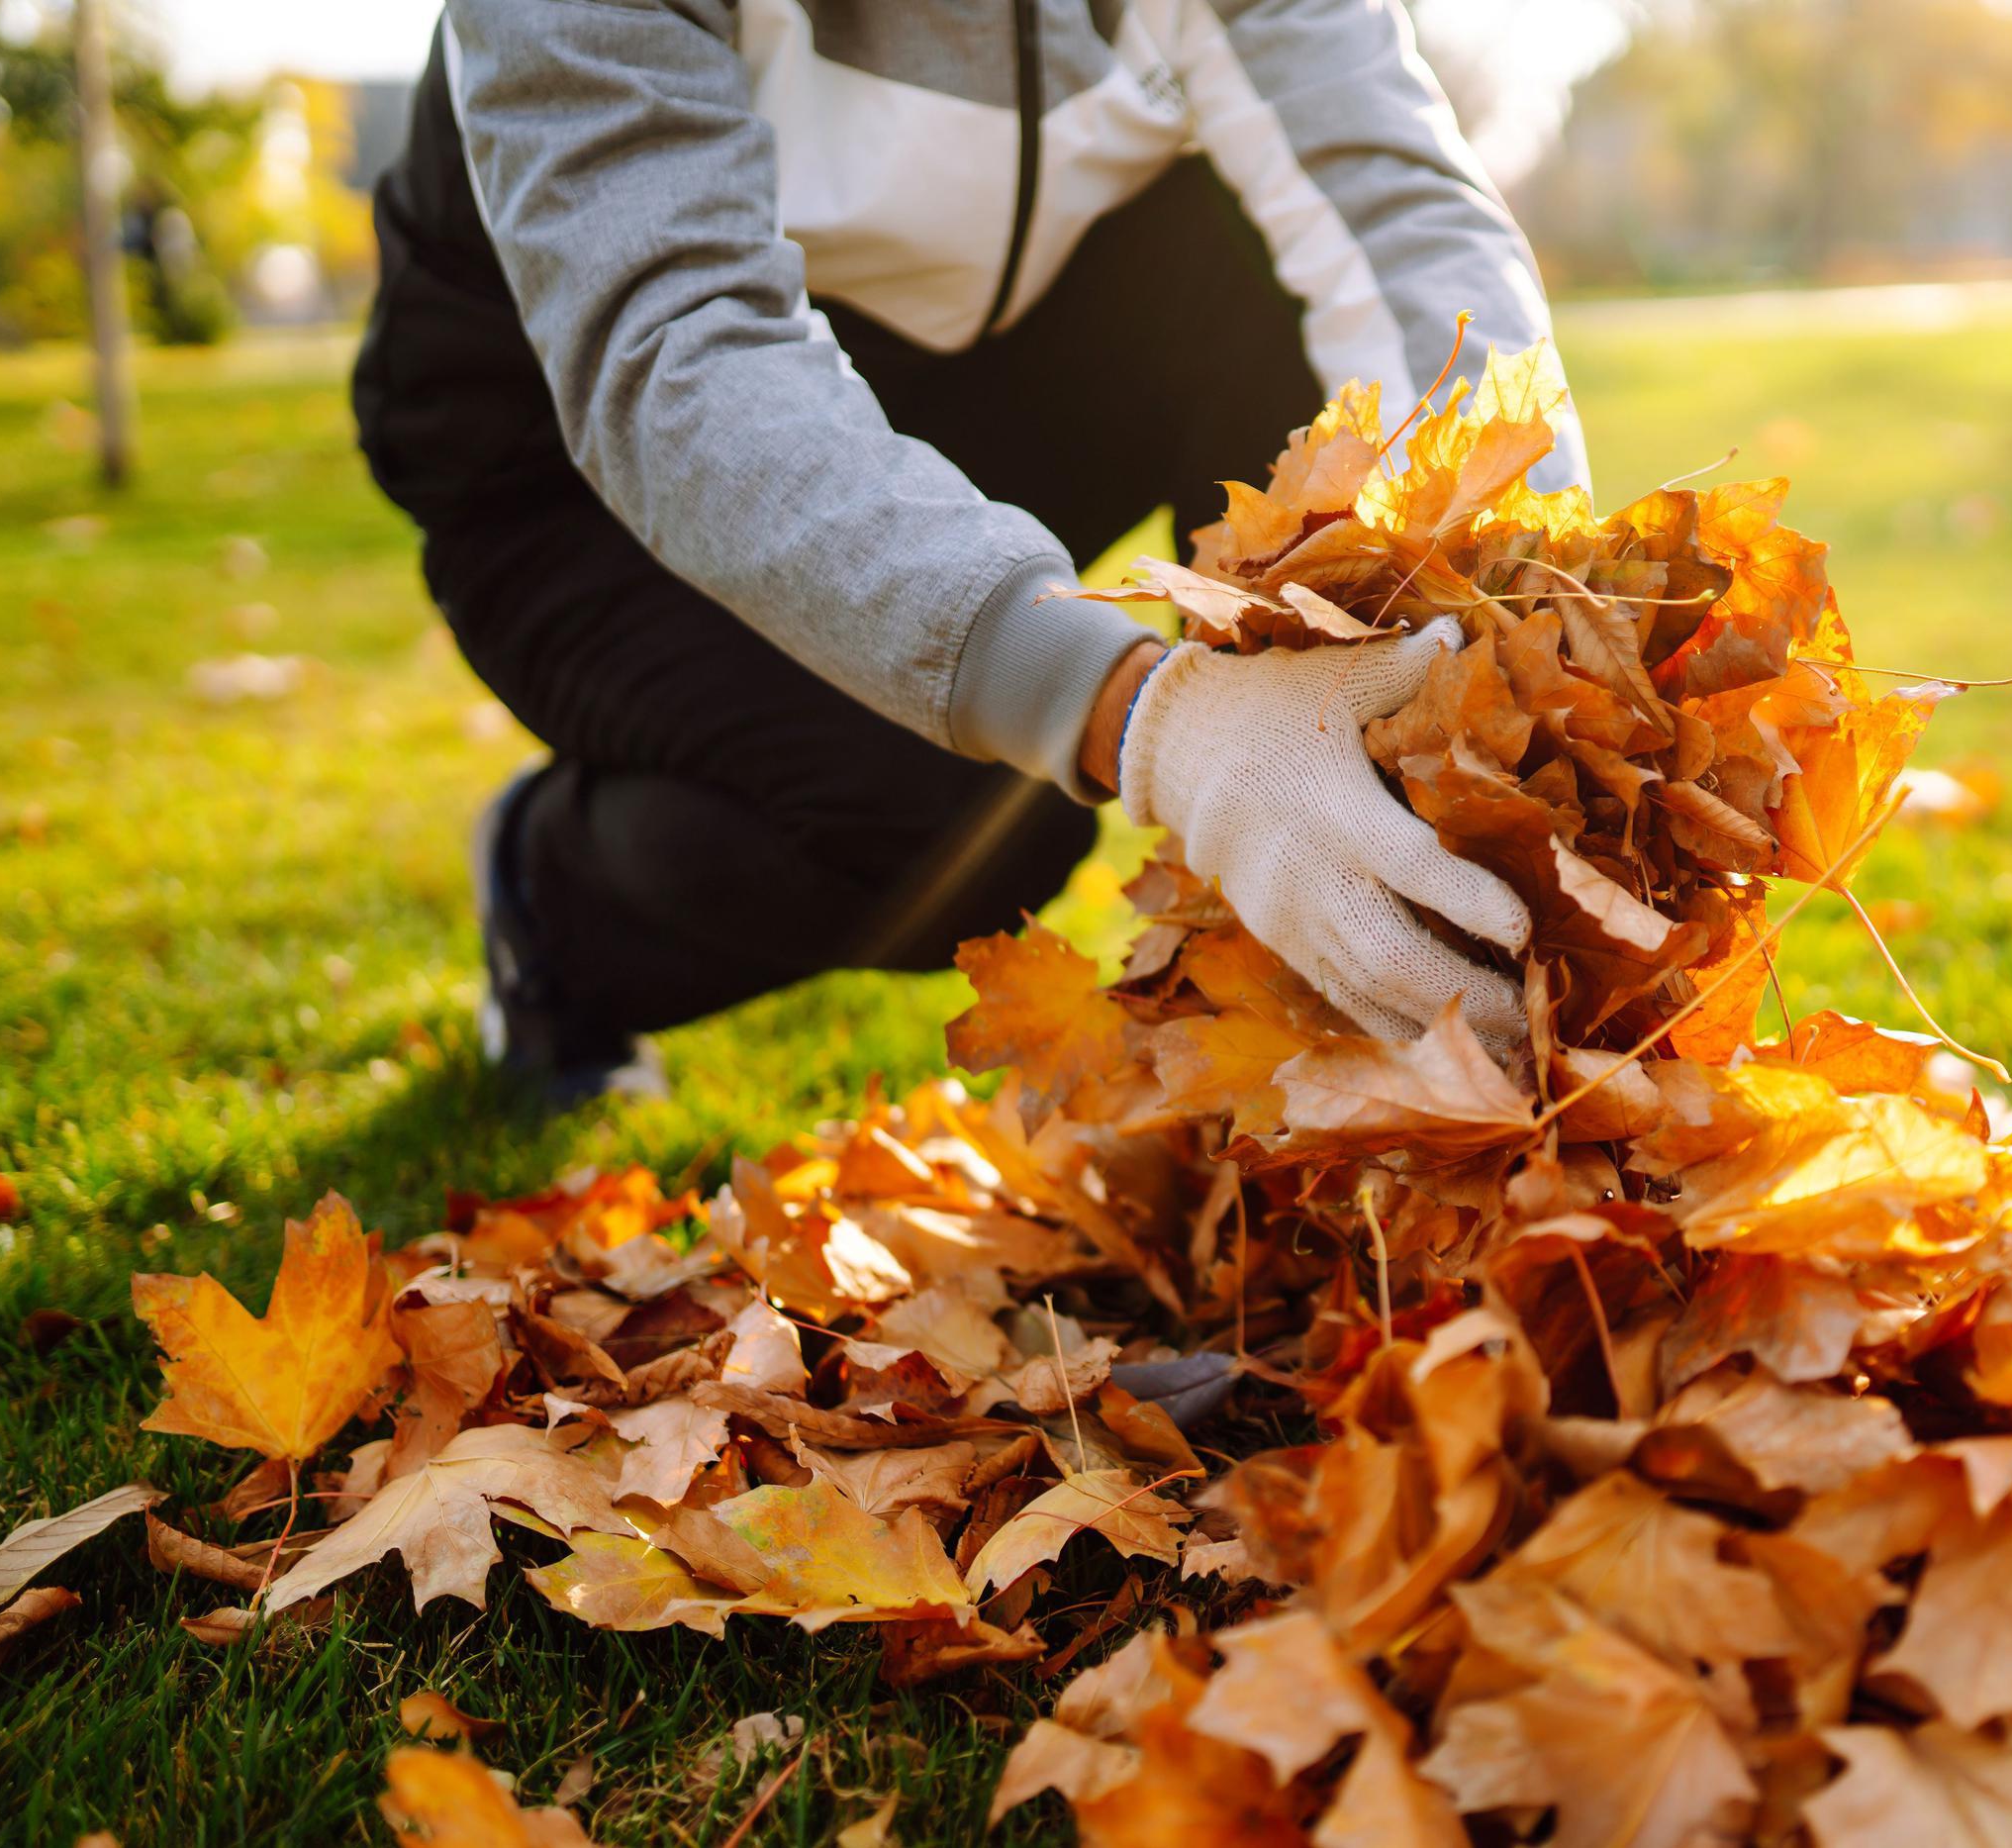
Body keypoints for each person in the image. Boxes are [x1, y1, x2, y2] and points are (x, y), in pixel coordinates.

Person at [356, 0, 1585, 1104]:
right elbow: (670, 342)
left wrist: (1500, 621)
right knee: (952, 820)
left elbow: (1397, 223)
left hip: (978, 374)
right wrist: (1148, 719)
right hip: (567, 453)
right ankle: (546, 904)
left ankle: (1338, 1015)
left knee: (1241, 256)